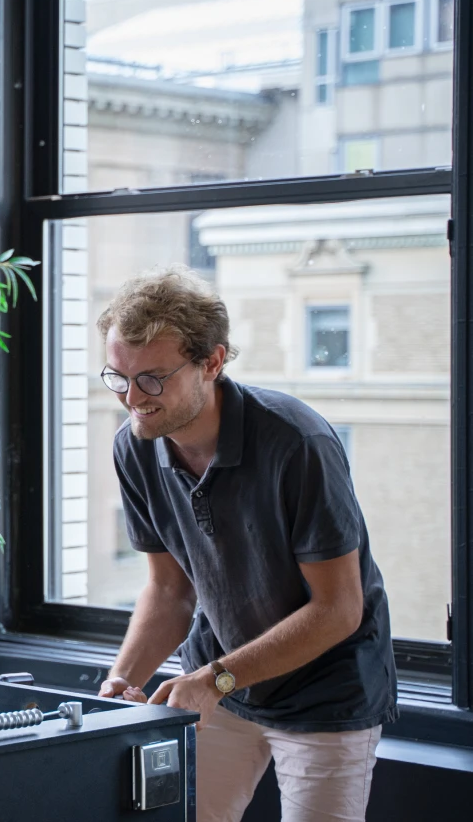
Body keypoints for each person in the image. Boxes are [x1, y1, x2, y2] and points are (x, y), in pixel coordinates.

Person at [92, 270, 395, 822]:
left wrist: (214, 678)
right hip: (219, 679)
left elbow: (339, 609)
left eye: (153, 379)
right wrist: (120, 685)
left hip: (327, 689)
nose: (132, 398)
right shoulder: (136, 448)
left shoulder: (297, 442)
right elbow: (168, 592)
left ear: (212, 362)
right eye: (119, 376)